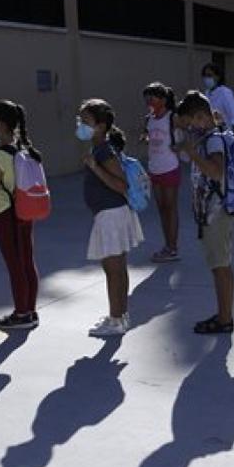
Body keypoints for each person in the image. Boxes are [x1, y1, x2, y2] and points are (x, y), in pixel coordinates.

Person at [78, 99, 142, 337]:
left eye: (86, 121)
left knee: (114, 270)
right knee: (116, 269)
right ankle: (120, 314)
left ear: (102, 125)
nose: (81, 125)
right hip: (110, 215)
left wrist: (95, 167)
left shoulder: (103, 150)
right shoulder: (100, 148)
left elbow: (120, 184)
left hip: (111, 215)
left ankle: (116, 320)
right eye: (80, 120)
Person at [176, 91, 234, 334]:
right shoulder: (213, 134)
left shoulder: (213, 140)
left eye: (191, 123)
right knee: (221, 264)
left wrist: (191, 153)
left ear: (201, 116)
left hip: (216, 212)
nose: (190, 129)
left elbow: (216, 172)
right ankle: (224, 315)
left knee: (220, 266)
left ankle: (224, 320)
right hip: (212, 211)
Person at [0, 100, 42, 330]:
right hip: (26, 211)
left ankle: (20, 313)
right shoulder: (26, 149)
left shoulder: (0, 155)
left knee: (14, 264)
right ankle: (31, 310)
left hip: (5, 214)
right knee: (27, 261)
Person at [140, 82, 182, 264]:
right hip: (154, 168)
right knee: (162, 209)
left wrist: (178, 145)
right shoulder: (148, 118)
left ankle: (173, 248)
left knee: (170, 208)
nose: (149, 101)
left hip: (170, 167)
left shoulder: (173, 117)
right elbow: (147, 136)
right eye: (147, 97)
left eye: (153, 97)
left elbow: (185, 135)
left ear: (164, 99)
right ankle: (167, 246)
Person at [201, 63, 234, 133]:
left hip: (226, 135)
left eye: (209, 75)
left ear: (217, 77)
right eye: (205, 75)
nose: (206, 78)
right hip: (212, 134)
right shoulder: (207, 93)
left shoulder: (225, 92)